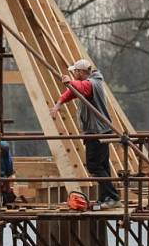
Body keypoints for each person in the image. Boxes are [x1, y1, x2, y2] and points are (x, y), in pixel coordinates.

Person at [49, 59, 122, 209]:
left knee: (94, 165)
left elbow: (81, 87)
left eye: (74, 72)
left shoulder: (91, 84)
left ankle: (113, 196)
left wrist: (70, 81)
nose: (73, 74)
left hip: (97, 132)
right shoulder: (90, 83)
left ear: (81, 72)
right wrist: (59, 103)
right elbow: (72, 92)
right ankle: (105, 197)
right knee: (102, 166)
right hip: (101, 130)